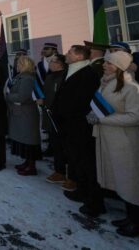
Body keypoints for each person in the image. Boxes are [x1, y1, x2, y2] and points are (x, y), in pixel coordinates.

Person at [87, 51, 139, 237]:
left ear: (120, 67)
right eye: (105, 63)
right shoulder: (106, 83)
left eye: (109, 64)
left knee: (132, 183)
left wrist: (103, 120)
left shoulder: (132, 88)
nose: (105, 66)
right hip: (110, 139)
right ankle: (130, 218)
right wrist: (94, 116)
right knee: (121, 181)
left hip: (125, 141)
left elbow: (135, 117)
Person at [53, 45, 103, 217]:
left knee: (86, 162)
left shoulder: (87, 74)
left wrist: (66, 113)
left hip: (80, 126)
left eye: (70, 52)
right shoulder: (72, 70)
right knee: (75, 160)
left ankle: (94, 201)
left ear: (79, 56)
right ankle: (81, 191)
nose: (66, 54)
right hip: (69, 125)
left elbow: (81, 101)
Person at [6, 56, 41, 176]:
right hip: (20, 113)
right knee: (23, 140)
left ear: (25, 65)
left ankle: (31, 166)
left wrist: (8, 96)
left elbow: (22, 97)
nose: (17, 66)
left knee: (29, 141)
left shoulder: (27, 79)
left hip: (26, 114)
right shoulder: (20, 77)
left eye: (20, 64)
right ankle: (27, 162)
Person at [42, 54, 70, 185]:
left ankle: (68, 174)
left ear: (60, 64)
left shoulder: (65, 77)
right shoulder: (49, 76)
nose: (50, 63)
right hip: (49, 114)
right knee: (55, 145)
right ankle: (59, 171)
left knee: (64, 146)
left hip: (60, 117)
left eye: (52, 61)